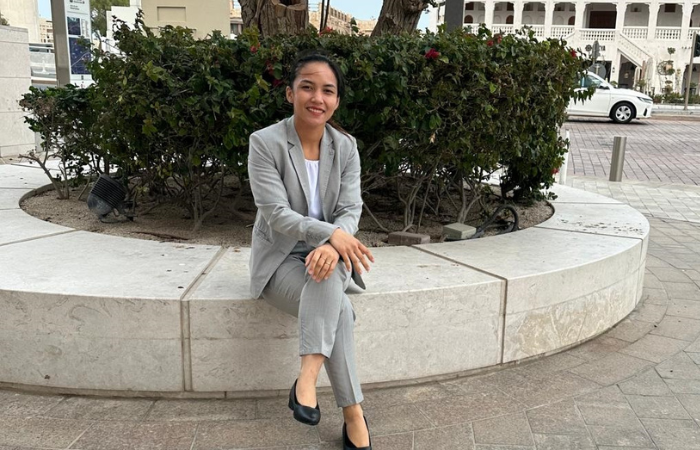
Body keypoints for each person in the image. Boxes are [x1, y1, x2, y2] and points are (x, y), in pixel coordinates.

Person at [247, 51, 375, 450]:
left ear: (336, 101)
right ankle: (353, 414)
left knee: (331, 268)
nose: (317, 98)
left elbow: (351, 209)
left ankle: (307, 379)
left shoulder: (346, 146)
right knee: (341, 312)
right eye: (307, 87)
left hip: (330, 256)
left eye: (327, 91)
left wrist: (334, 243)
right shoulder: (265, 143)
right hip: (280, 260)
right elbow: (276, 213)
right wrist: (331, 235)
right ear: (290, 93)